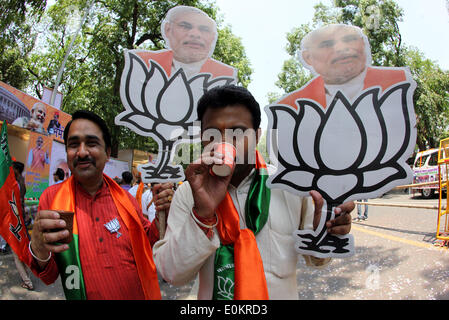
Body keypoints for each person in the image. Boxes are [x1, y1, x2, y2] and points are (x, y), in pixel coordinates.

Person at [153, 85, 354, 300]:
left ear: (257, 135)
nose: (224, 142)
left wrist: (326, 231)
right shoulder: (188, 193)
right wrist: (202, 215)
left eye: (238, 132)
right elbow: (171, 274)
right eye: (213, 134)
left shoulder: (290, 186)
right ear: (202, 137)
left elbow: (317, 260)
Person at [27, 110, 174, 300]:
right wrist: (38, 247)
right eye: (73, 145)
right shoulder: (52, 200)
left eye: (91, 143)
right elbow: (49, 276)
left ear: (107, 153)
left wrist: (166, 210)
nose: (81, 152)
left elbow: (148, 241)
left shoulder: (126, 200)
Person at [277, 24, 407, 109]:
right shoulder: (291, 107)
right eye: (327, 45)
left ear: (363, 43)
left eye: (350, 39)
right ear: (308, 57)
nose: (342, 48)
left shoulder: (399, 82)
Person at [135, 5, 237, 79]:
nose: (195, 34)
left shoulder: (225, 75)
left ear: (213, 37)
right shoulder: (142, 63)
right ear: (168, 29)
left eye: (204, 29)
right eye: (185, 26)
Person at [11, 161, 34, 290]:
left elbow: (17, 204)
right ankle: (27, 276)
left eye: (13, 169)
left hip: (16, 221)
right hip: (19, 221)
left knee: (16, 252)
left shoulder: (16, 184)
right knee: (21, 250)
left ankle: (27, 281)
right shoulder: (21, 181)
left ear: (17, 170)